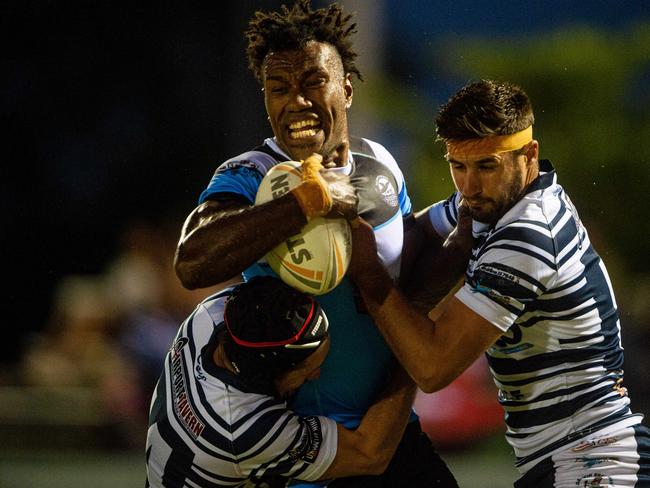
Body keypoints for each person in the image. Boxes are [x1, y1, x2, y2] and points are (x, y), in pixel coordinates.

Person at [174, 1, 459, 486]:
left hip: (391, 431)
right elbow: (193, 261)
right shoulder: (249, 176)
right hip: (306, 450)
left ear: (345, 89)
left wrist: (470, 221)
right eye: (278, 89)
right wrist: (308, 201)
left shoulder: (381, 163)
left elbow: (405, 264)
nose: (296, 102)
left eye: (312, 82)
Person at [348, 79, 650, 487]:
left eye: (486, 165)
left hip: (594, 461)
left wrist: (368, 276)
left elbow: (432, 368)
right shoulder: (492, 199)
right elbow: (413, 236)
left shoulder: (527, 235)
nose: (469, 185)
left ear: (529, 154)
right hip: (567, 455)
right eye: (457, 166)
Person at [145, 276, 416, 487]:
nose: (317, 376)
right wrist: (409, 352)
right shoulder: (243, 428)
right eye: (308, 370)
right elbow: (369, 454)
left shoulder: (211, 314)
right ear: (269, 375)